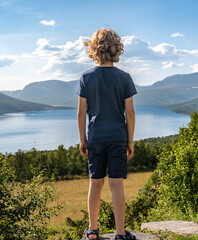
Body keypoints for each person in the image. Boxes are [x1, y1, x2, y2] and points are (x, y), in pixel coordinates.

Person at [77, 28, 137, 240]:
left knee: (95, 182)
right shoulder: (124, 78)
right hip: (118, 137)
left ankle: (93, 231)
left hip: (95, 138)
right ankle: (120, 234)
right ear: (116, 48)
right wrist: (130, 141)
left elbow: (81, 112)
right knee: (116, 184)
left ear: (93, 49)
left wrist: (83, 140)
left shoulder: (86, 77)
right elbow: (129, 112)